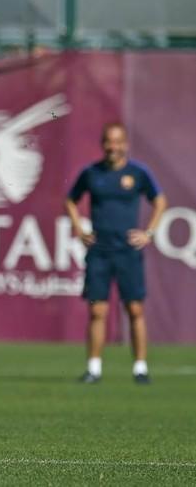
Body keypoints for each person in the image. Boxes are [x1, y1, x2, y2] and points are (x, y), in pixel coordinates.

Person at [65, 122, 167, 385]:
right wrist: (79, 229)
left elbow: (159, 201)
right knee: (97, 310)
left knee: (134, 309)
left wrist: (149, 233)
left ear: (125, 144)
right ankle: (94, 368)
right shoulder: (91, 173)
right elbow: (70, 200)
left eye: (118, 141)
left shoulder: (138, 173)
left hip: (127, 251)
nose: (113, 147)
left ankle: (140, 368)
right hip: (99, 251)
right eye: (109, 141)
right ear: (103, 144)